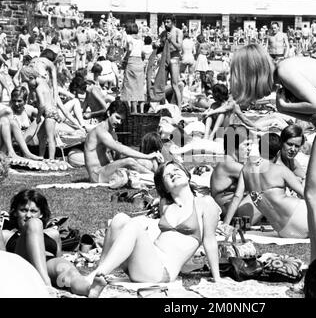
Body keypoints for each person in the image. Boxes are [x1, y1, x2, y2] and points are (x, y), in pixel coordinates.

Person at [230, 43, 316, 260]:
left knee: (315, 197)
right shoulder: (287, 69)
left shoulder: (284, 70)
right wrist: (284, 107)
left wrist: (284, 108)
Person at [86, 161, 222, 297]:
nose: (173, 173)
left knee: (134, 226)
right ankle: (99, 272)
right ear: (165, 187)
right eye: (168, 175)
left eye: (176, 170)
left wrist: (217, 279)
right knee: (119, 219)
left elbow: (210, 241)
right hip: (144, 262)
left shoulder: (205, 203)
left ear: (187, 176)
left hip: (161, 271)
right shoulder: (165, 205)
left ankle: (95, 277)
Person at [1, 189, 101, 296]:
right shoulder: (6, 235)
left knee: (70, 273)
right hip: (24, 264)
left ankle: (89, 289)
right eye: (23, 210)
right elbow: (4, 264)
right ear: (15, 212)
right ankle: (45, 284)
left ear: (41, 214)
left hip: (48, 264)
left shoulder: (53, 234)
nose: (28, 215)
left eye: (34, 211)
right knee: (34, 223)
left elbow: (58, 256)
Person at [84, 99, 164, 183]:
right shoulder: (100, 131)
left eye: (121, 120)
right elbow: (122, 150)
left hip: (105, 170)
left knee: (143, 162)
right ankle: (157, 179)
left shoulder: (112, 133)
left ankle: (157, 175)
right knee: (130, 161)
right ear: (109, 113)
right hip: (96, 175)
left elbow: (116, 158)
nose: (119, 122)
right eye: (117, 118)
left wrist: (117, 154)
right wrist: (147, 156)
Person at [0, 86, 43, 160]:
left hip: (26, 141)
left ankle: (28, 153)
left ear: (25, 101)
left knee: (41, 119)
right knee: (10, 121)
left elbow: (44, 114)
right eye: (14, 101)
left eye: (19, 101)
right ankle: (22, 153)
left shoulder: (28, 109)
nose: (16, 104)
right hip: (9, 142)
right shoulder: (7, 110)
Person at [121, 22, 147, 114]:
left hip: (131, 61)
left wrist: (125, 59)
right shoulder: (140, 39)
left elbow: (130, 49)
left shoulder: (128, 37)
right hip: (139, 62)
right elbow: (143, 52)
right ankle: (139, 110)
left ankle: (133, 111)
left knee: (130, 87)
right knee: (138, 87)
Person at [160, 15, 183, 109]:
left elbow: (179, 47)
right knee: (162, 85)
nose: (166, 24)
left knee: (174, 84)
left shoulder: (178, 31)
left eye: (168, 22)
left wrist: (171, 40)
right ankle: (163, 106)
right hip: (165, 59)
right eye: (165, 22)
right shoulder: (163, 33)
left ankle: (180, 108)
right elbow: (160, 47)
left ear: (173, 22)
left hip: (174, 59)